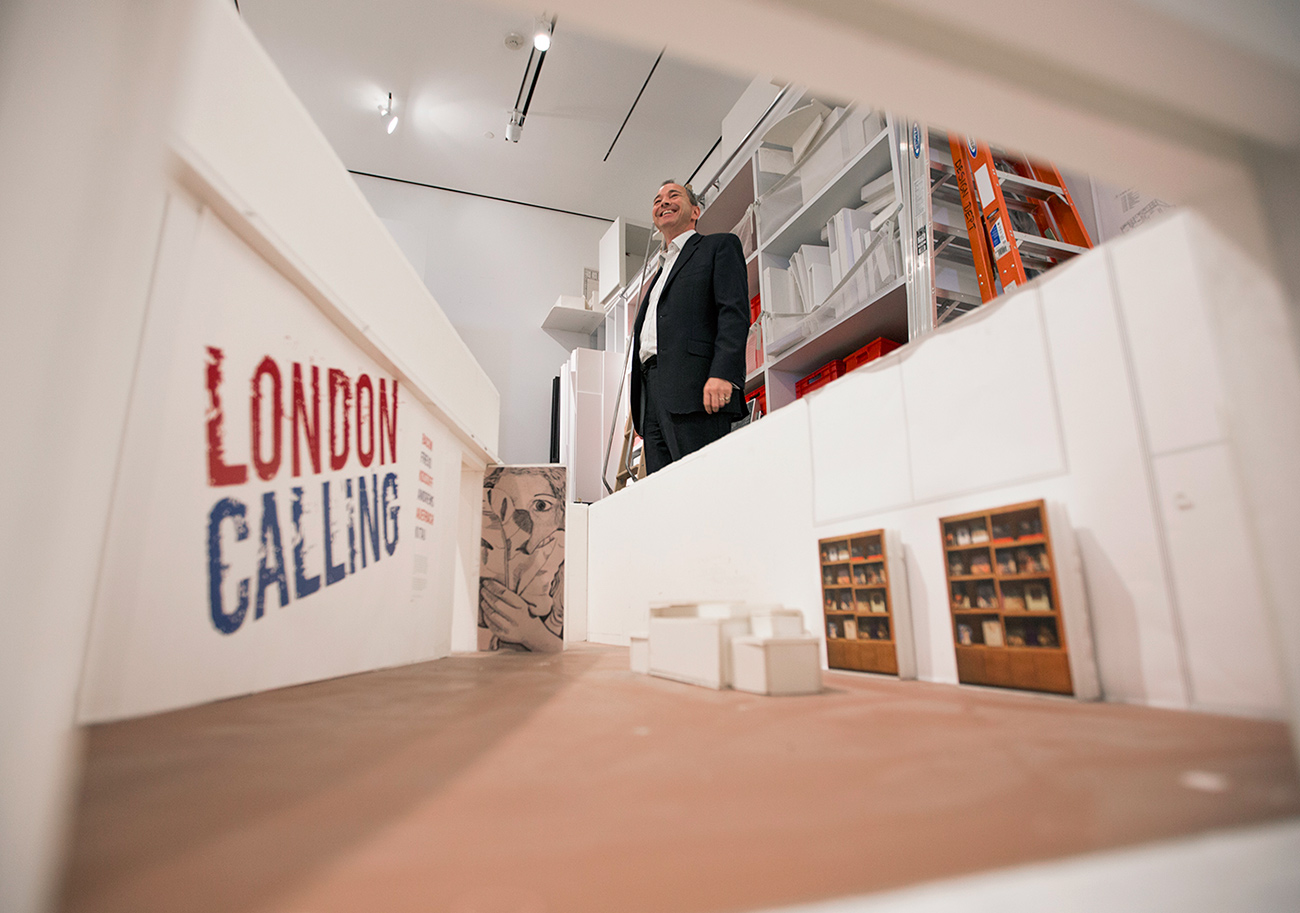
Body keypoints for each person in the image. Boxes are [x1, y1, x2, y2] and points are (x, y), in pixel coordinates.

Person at [630, 180, 750, 473]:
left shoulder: (718, 246)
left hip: (696, 391)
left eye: (674, 196)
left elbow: (733, 313)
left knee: (702, 483)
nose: (664, 202)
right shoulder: (658, 274)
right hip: (652, 397)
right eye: (657, 200)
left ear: (695, 211)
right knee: (665, 494)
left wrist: (723, 373)